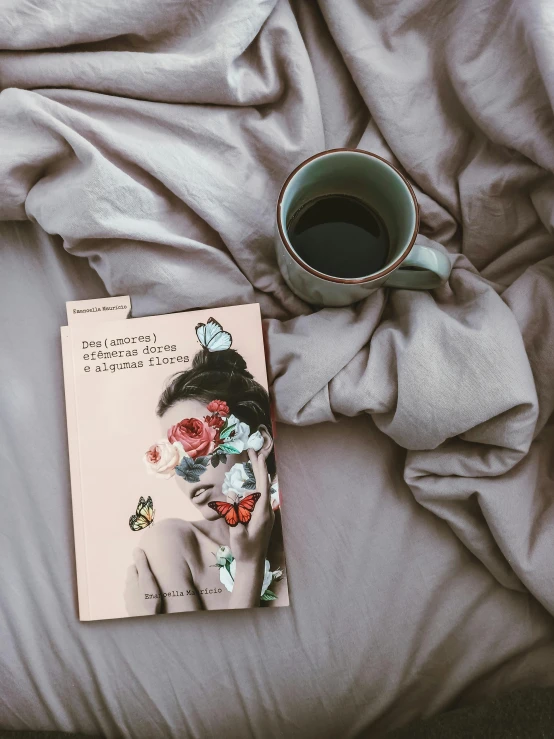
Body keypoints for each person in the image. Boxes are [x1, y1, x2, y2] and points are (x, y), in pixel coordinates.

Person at [124, 346, 287, 615]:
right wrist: (249, 565)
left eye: (196, 447)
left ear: (259, 441)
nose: (185, 471)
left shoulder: (315, 536)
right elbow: (206, 656)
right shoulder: (172, 543)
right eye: (174, 457)